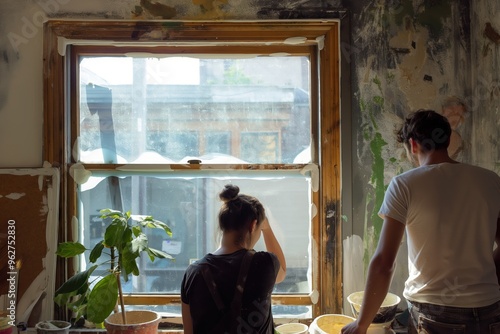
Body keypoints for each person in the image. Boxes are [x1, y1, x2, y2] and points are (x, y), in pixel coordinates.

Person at [342, 109, 500, 334]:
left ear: (413, 144)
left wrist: (361, 324)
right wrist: (483, 279)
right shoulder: (490, 180)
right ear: (446, 140)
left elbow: (385, 263)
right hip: (490, 311)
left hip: (435, 315)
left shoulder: (405, 185)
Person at [181, 184, 286, 334]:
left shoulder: (193, 273)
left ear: (223, 225)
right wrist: (267, 229)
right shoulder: (263, 264)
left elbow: (189, 331)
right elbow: (282, 271)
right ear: (253, 225)